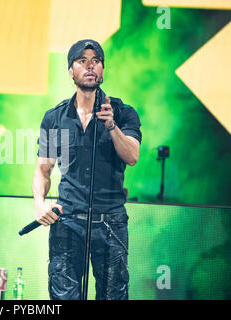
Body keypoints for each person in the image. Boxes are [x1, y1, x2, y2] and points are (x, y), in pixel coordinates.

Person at [32, 39, 142, 300]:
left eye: (96, 60)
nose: (90, 66)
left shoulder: (123, 113)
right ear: (71, 71)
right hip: (68, 221)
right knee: (63, 297)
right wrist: (40, 204)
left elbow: (132, 156)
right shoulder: (54, 117)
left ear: (103, 69)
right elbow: (42, 170)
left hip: (110, 223)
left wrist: (112, 127)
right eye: (82, 61)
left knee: (112, 295)